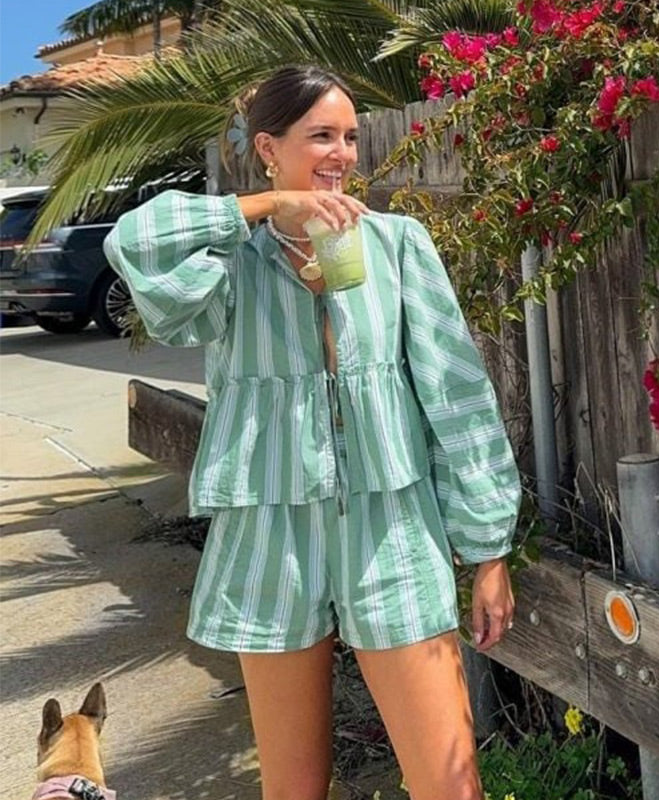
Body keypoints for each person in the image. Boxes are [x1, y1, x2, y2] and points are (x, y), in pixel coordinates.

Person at [104, 65, 521, 800]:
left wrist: (488, 549)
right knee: (293, 790)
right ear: (269, 148)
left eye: (351, 137)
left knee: (451, 788)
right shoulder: (228, 264)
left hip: (391, 526)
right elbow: (134, 241)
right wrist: (268, 207)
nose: (343, 154)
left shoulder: (397, 244)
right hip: (271, 532)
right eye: (322, 135)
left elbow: (458, 397)